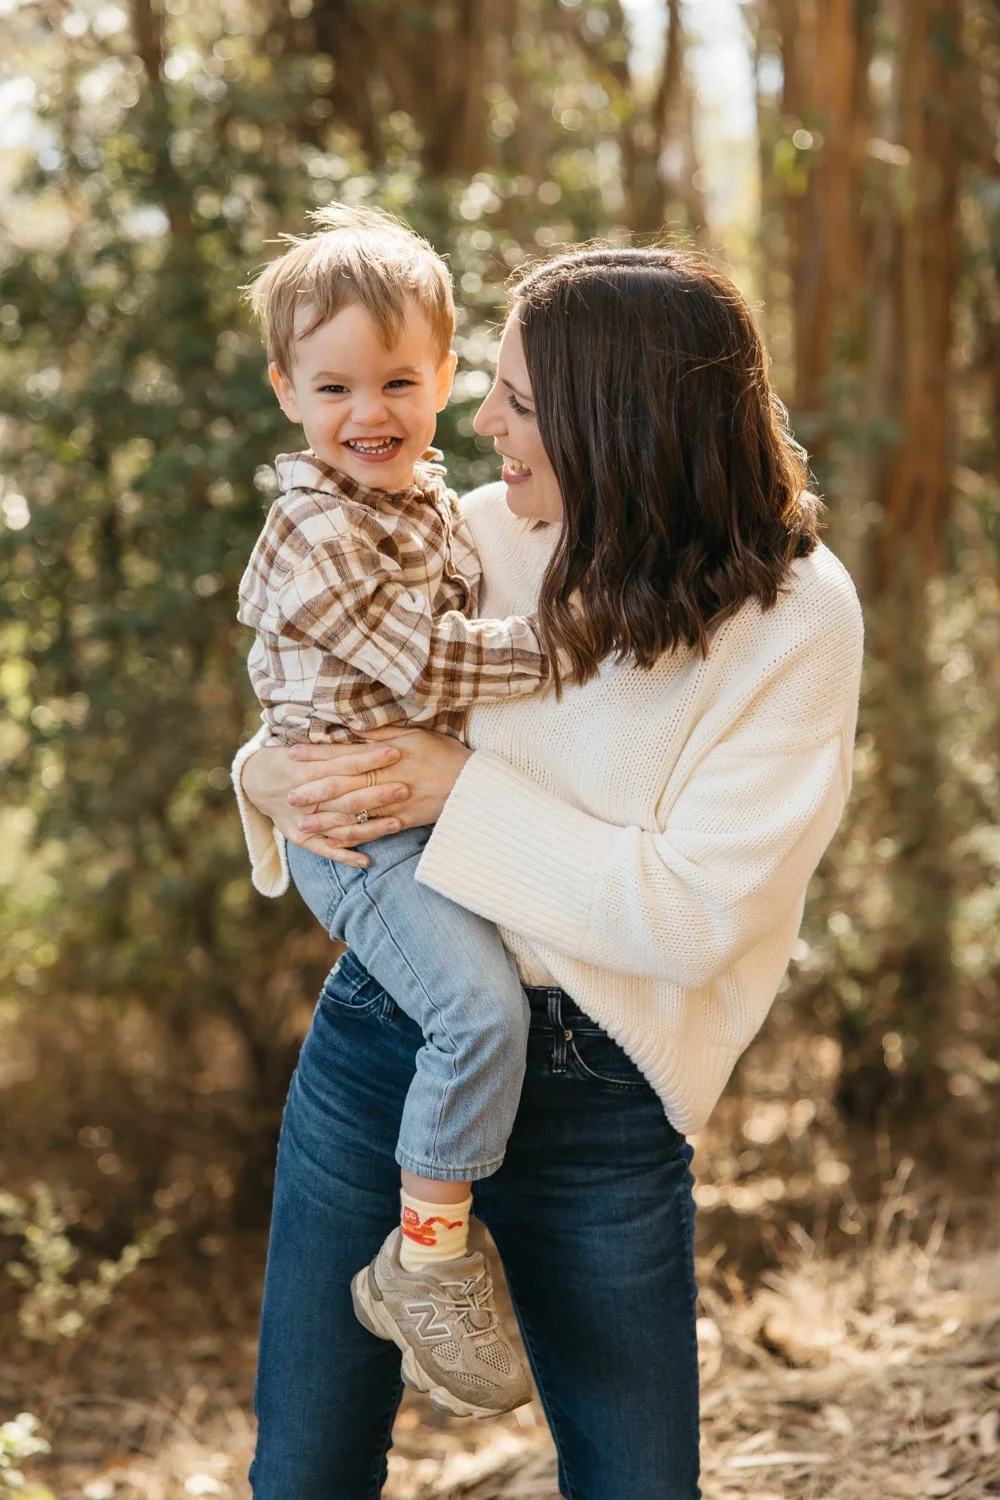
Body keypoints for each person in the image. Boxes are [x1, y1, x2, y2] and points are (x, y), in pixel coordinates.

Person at [234, 245, 865, 1500]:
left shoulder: (795, 619)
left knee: (636, 1482)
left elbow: (692, 913)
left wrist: (454, 788)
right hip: (387, 1039)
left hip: (605, 1089)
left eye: (515, 403)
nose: (476, 425)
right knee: (304, 1470)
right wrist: (266, 781)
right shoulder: (465, 529)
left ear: (615, 420)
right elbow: (302, 724)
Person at [236, 202, 561, 1417]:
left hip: (425, 818)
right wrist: (566, 646)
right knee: (477, 1010)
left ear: (445, 379)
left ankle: (437, 1241)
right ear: (286, 392)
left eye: (398, 380)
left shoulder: (431, 501)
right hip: (360, 827)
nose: (367, 412)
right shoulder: (315, 525)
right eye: (334, 387)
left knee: (491, 998)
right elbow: (426, 665)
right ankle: (424, 1262)